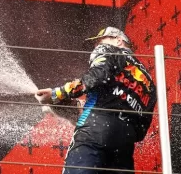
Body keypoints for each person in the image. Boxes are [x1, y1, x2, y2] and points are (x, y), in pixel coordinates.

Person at [35, 27, 157, 173]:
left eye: (100, 42)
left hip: (94, 131)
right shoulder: (149, 82)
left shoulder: (110, 51)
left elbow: (95, 77)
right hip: (125, 146)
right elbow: (141, 131)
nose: (97, 47)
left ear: (118, 41)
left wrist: (56, 94)